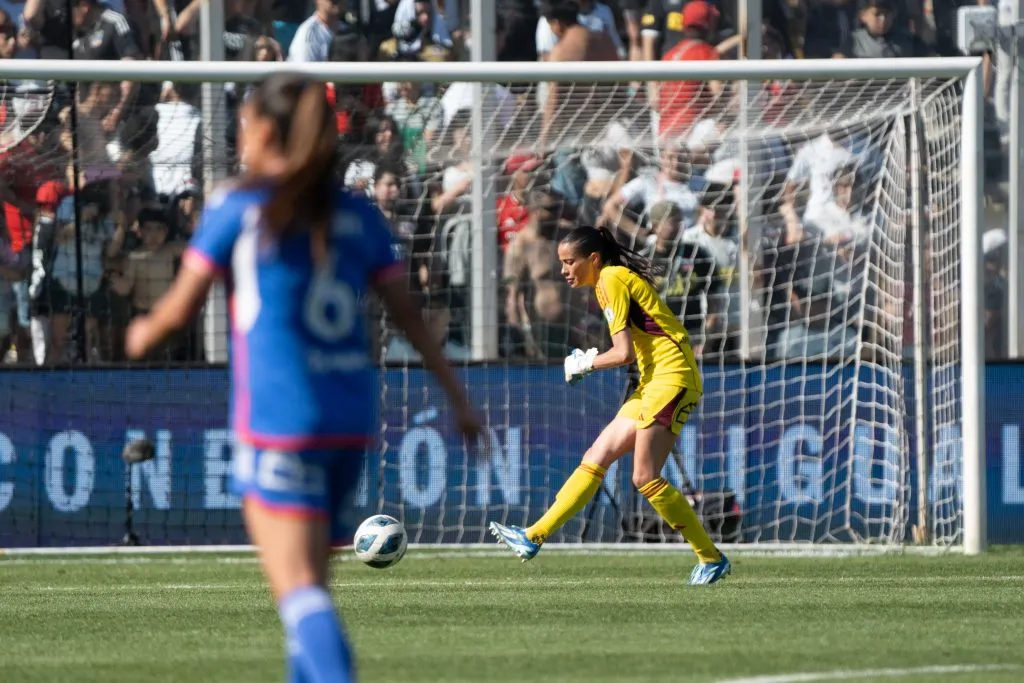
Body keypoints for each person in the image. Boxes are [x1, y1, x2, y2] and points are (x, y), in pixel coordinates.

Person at [124, 74, 483, 683]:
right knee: (311, 592)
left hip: (280, 420)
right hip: (349, 420)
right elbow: (411, 320)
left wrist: (138, 333)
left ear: (263, 132)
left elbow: (176, 313)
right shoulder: (359, 216)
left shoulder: (240, 207)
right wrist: (458, 397)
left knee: (298, 596)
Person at [489, 225, 730, 586]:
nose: (564, 270)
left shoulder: (610, 280)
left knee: (644, 477)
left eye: (570, 262)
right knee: (596, 455)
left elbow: (622, 353)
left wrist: (585, 363)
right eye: (562, 262)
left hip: (673, 377)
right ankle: (532, 536)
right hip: (653, 380)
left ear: (594, 259)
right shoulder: (611, 279)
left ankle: (710, 558)